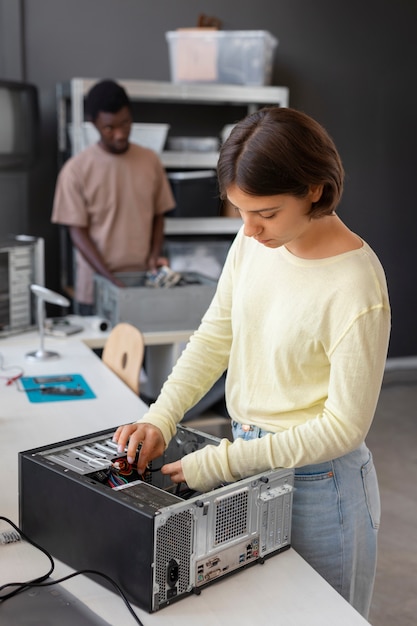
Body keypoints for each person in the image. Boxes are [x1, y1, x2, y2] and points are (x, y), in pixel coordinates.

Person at [114, 107, 391, 618]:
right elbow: (216, 336)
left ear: (314, 189)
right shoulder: (252, 243)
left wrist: (220, 464)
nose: (250, 230)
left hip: (320, 485)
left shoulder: (356, 285)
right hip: (250, 464)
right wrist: (160, 415)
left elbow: (344, 428)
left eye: (265, 214)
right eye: (240, 212)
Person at [51, 79, 175, 315]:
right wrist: (109, 279)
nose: (119, 134)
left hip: (140, 282)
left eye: (125, 123)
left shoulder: (150, 161)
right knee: (98, 352)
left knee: (141, 351)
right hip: (96, 287)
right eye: (109, 128)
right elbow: (76, 231)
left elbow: (159, 214)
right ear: (93, 124)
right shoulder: (76, 170)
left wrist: (154, 255)